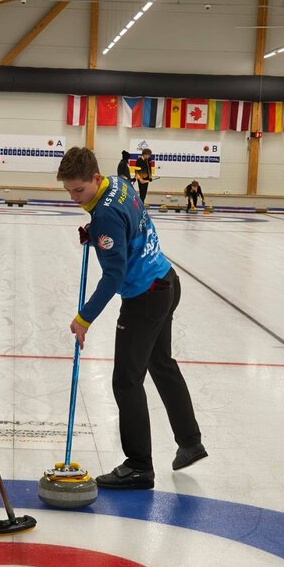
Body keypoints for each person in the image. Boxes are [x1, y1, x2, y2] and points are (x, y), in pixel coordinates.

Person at [58, 146, 207, 490]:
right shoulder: (118, 183)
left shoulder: (105, 216)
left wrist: (84, 318)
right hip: (166, 280)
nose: (74, 198)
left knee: (126, 381)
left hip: (145, 297)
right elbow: (121, 218)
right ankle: (190, 441)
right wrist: (96, 235)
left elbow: (114, 275)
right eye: (68, 191)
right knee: (161, 364)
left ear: (95, 178)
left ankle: (139, 466)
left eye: (79, 190)